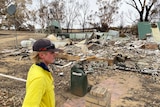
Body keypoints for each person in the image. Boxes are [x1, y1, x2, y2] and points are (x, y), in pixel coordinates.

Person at [22, 38, 62, 107]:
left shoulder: (36, 67)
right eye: (52, 52)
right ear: (42, 55)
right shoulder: (39, 78)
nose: (55, 54)